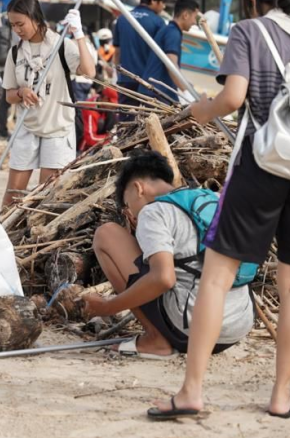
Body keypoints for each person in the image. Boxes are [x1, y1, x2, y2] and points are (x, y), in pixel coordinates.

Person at [148, 0, 290, 420]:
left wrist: (200, 111)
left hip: (261, 167)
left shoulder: (248, 32)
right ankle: (281, 396)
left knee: (217, 277)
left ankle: (192, 391)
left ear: (254, 1)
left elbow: (233, 98)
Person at [82, 151, 253, 358]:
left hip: (190, 330)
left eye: (127, 206)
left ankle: (155, 339)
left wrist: (107, 307)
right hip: (235, 329)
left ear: (138, 188)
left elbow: (163, 278)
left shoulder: (155, 212)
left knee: (106, 234)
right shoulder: (211, 197)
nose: (130, 215)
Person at [0, 0, 95, 207]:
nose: (17, 30)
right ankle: (2, 234)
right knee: (13, 195)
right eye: (12, 25)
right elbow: (8, 95)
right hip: (27, 127)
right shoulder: (15, 53)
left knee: (46, 197)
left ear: (35, 18)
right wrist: (22, 92)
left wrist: (78, 34)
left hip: (58, 129)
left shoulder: (61, 46)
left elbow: (89, 72)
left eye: (20, 24)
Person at [114, 0, 168, 105]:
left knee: (126, 120)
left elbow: (117, 52)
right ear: (153, 0)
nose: (163, 7)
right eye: (162, 3)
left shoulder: (122, 18)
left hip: (125, 80)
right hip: (149, 82)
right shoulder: (158, 22)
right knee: (148, 120)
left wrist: (119, 76)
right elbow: (162, 56)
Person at [141, 0, 200, 102]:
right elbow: (171, 65)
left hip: (154, 89)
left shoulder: (167, 29)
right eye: (194, 17)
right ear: (185, 15)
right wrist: (187, 92)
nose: (194, 22)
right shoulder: (173, 33)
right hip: (157, 92)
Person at [80, 87, 118, 151]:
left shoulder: (100, 101)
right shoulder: (90, 110)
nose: (113, 107)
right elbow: (90, 139)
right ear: (105, 99)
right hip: (86, 147)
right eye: (112, 103)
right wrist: (110, 138)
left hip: (101, 136)